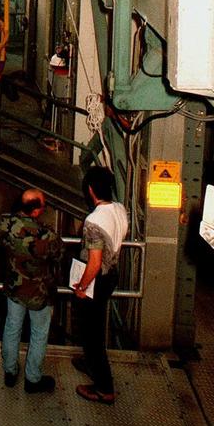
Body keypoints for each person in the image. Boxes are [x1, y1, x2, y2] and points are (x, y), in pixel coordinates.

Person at [0, 188, 64, 393]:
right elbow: (59, 255)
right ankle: (33, 379)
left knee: (12, 328)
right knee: (39, 333)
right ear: (37, 211)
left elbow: (0, 240)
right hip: (39, 293)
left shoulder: (4, 225)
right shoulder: (47, 235)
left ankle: (10, 372)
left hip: (14, 288)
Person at [72, 164, 129, 405]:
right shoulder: (120, 209)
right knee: (95, 326)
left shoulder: (93, 220)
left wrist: (82, 286)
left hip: (97, 279)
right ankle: (90, 363)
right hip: (112, 273)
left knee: (92, 333)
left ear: (91, 190)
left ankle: (104, 388)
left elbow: (94, 262)